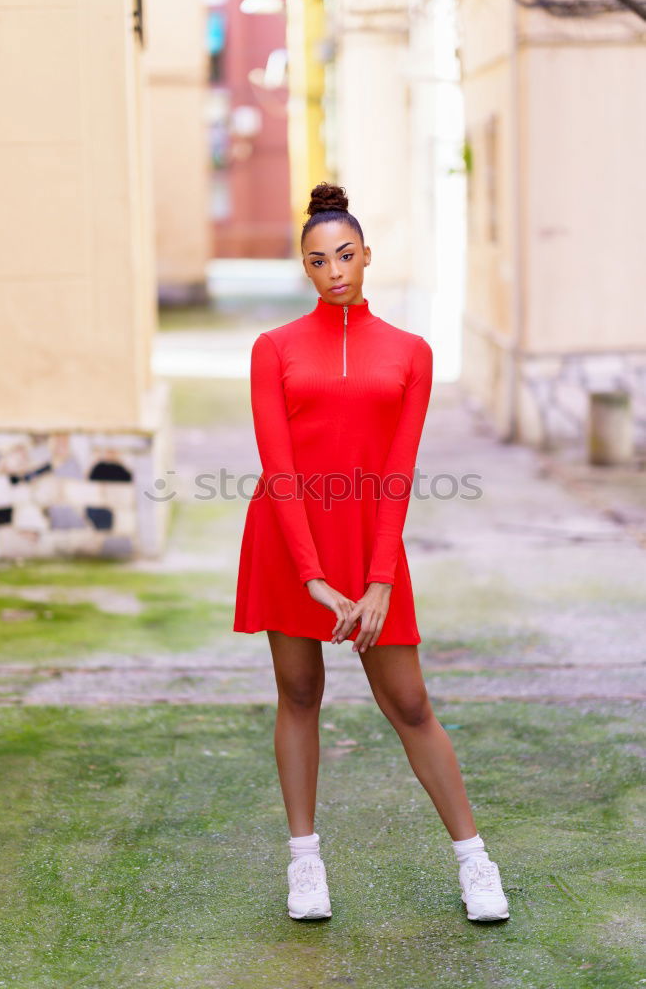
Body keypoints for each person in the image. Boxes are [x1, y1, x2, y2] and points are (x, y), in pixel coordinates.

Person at [233, 182, 509, 923]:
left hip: (370, 541)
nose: (334, 271)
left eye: (345, 255)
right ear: (305, 268)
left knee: (411, 702)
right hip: (289, 542)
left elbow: (398, 471)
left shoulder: (410, 354)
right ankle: (305, 864)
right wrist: (313, 576)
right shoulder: (274, 350)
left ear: (366, 255)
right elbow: (278, 467)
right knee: (298, 693)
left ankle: (475, 861)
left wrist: (379, 578)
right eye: (318, 261)